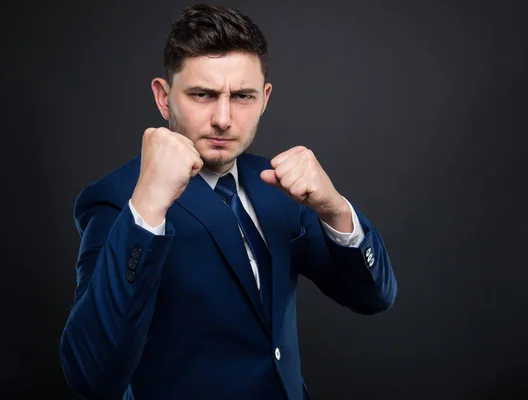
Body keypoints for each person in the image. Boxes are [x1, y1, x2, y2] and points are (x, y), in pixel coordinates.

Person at [59, 4, 397, 400]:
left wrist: (334, 208)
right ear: (164, 98)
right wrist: (147, 207)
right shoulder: (118, 200)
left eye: (242, 96)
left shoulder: (279, 186)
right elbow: (92, 375)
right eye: (203, 95)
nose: (223, 118)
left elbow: (373, 297)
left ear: (265, 98)